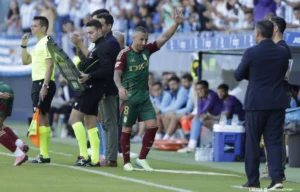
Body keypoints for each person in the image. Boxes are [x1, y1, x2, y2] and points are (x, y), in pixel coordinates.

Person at [114, 9, 183, 171]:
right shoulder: (124, 54)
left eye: (146, 40)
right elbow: (116, 74)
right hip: (129, 97)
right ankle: (126, 162)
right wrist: (119, 87)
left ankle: (141, 159)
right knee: (127, 129)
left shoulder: (147, 50)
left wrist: (176, 24)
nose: (144, 43)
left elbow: (164, 37)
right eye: (141, 40)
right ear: (134, 38)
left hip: (144, 97)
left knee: (153, 126)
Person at [234, 20, 289, 190]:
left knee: (252, 142)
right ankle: (277, 178)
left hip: (256, 102)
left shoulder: (251, 52)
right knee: (274, 141)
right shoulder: (283, 52)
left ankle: (253, 180)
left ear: (257, 33)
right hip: (277, 101)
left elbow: (237, 75)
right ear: (272, 32)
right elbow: (282, 74)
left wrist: (255, 75)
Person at [69, 19, 114, 167]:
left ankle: (83, 155)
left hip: (92, 88)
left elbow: (108, 69)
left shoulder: (103, 47)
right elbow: (90, 64)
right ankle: (95, 159)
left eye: (91, 32)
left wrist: (89, 76)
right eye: (87, 33)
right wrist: (78, 45)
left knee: (74, 119)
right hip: (95, 88)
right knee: (90, 123)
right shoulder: (97, 47)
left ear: (100, 30)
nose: (89, 35)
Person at [259, 16, 293, 181]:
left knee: (274, 133)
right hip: (275, 92)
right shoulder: (279, 48)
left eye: (269, 26)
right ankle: (274, 169)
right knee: (271, 133)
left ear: (276, 29)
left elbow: (285, 75)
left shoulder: (282, 49)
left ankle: (276, 170)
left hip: (277, 93)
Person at [21, 16, 56, 163]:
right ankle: (44, 154)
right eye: (32, 25)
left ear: (43, 28)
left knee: (41, 117)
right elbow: (25, 61)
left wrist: (45, 86)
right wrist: (24, 46)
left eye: (35, 26)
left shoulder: (47, 42)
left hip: (43, 82)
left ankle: (44, 155)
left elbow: (50, 65)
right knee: (42, 116)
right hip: (38, 83)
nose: (32, 28)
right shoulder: (38, 44)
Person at [0, 82, 29, 166]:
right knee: (0, 125)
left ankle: (19, 154)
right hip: (7, 89)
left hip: (2, 92)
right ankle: (21, 145)